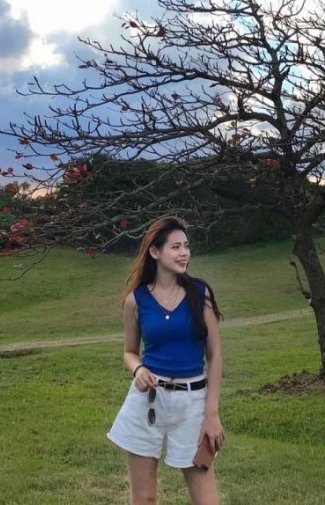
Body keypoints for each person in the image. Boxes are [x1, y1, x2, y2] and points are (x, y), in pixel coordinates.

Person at [107, 216, 224, 505]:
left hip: (192, 404)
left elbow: (215, 356)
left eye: (186, 246)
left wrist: (211, 414)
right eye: (175, 247)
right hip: (147, 403)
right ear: (155, 252)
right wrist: (138, 369)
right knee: (144, 498)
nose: (184, 253)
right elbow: (129, 352)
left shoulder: (200, 294)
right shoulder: (136, 300)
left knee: (207, 500)